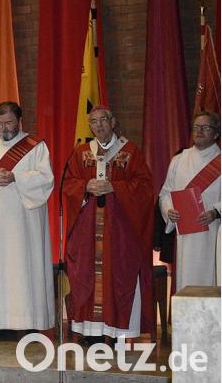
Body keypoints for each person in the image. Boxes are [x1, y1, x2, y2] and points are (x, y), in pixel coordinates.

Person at [63, 106, 155, 341]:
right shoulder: (81, 152)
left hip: (120, 232)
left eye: (103, 120)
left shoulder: (130, 152)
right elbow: (68, 184)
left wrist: (116, 187)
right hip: (88, 231)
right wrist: (85, 186)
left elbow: (145, 188)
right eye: (93, 122)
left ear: (113, 122)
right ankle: (92, 333)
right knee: (87, 276)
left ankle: (117, 332)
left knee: (118, 276)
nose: (99, 125)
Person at [0, 101, 55, 338]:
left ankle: (31, 321)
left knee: (28, 268)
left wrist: (17, 177)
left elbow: (46, 178)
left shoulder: (36, 147)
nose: (4, 128)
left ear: (19, 121)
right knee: (0, 269)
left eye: (9, 123)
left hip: (27, 223)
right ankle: (1, 324)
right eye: (0, 123)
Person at [159, 111, 221, 290]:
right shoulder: (179, 160)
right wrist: (169, 211)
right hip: (185, 235)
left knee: (211, 280)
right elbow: (165, 193)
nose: (199, 131)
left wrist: (215, 212)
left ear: (216, 134)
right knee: (186, 282)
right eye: (196, 127)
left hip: (214, 234)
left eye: (205, 127)